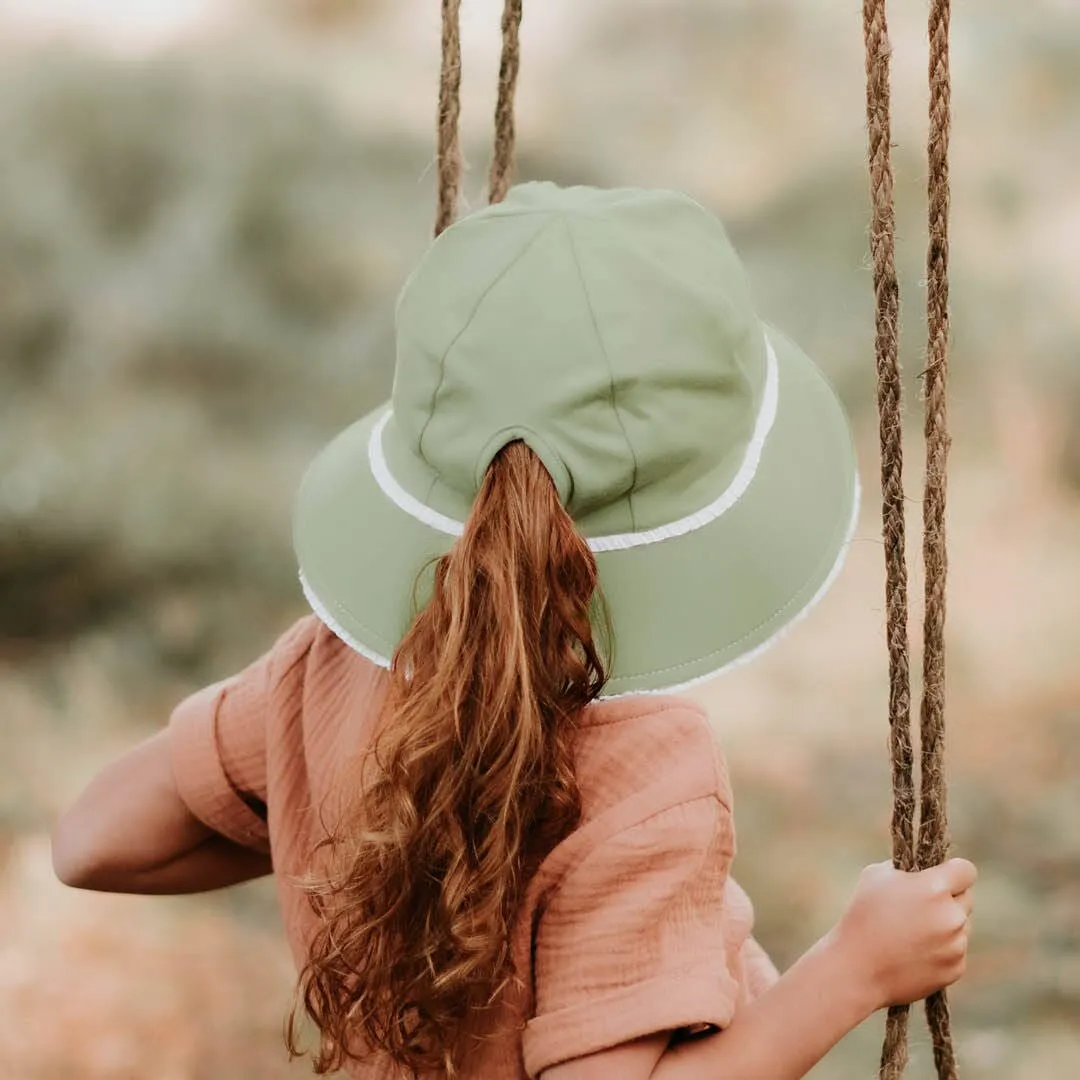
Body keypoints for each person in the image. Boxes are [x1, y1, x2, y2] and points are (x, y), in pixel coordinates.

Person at [51, 183, 976, 1080]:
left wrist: (381, 834)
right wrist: (853, 970)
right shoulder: (644, 768)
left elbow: (93, 840)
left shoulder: (329, 672)